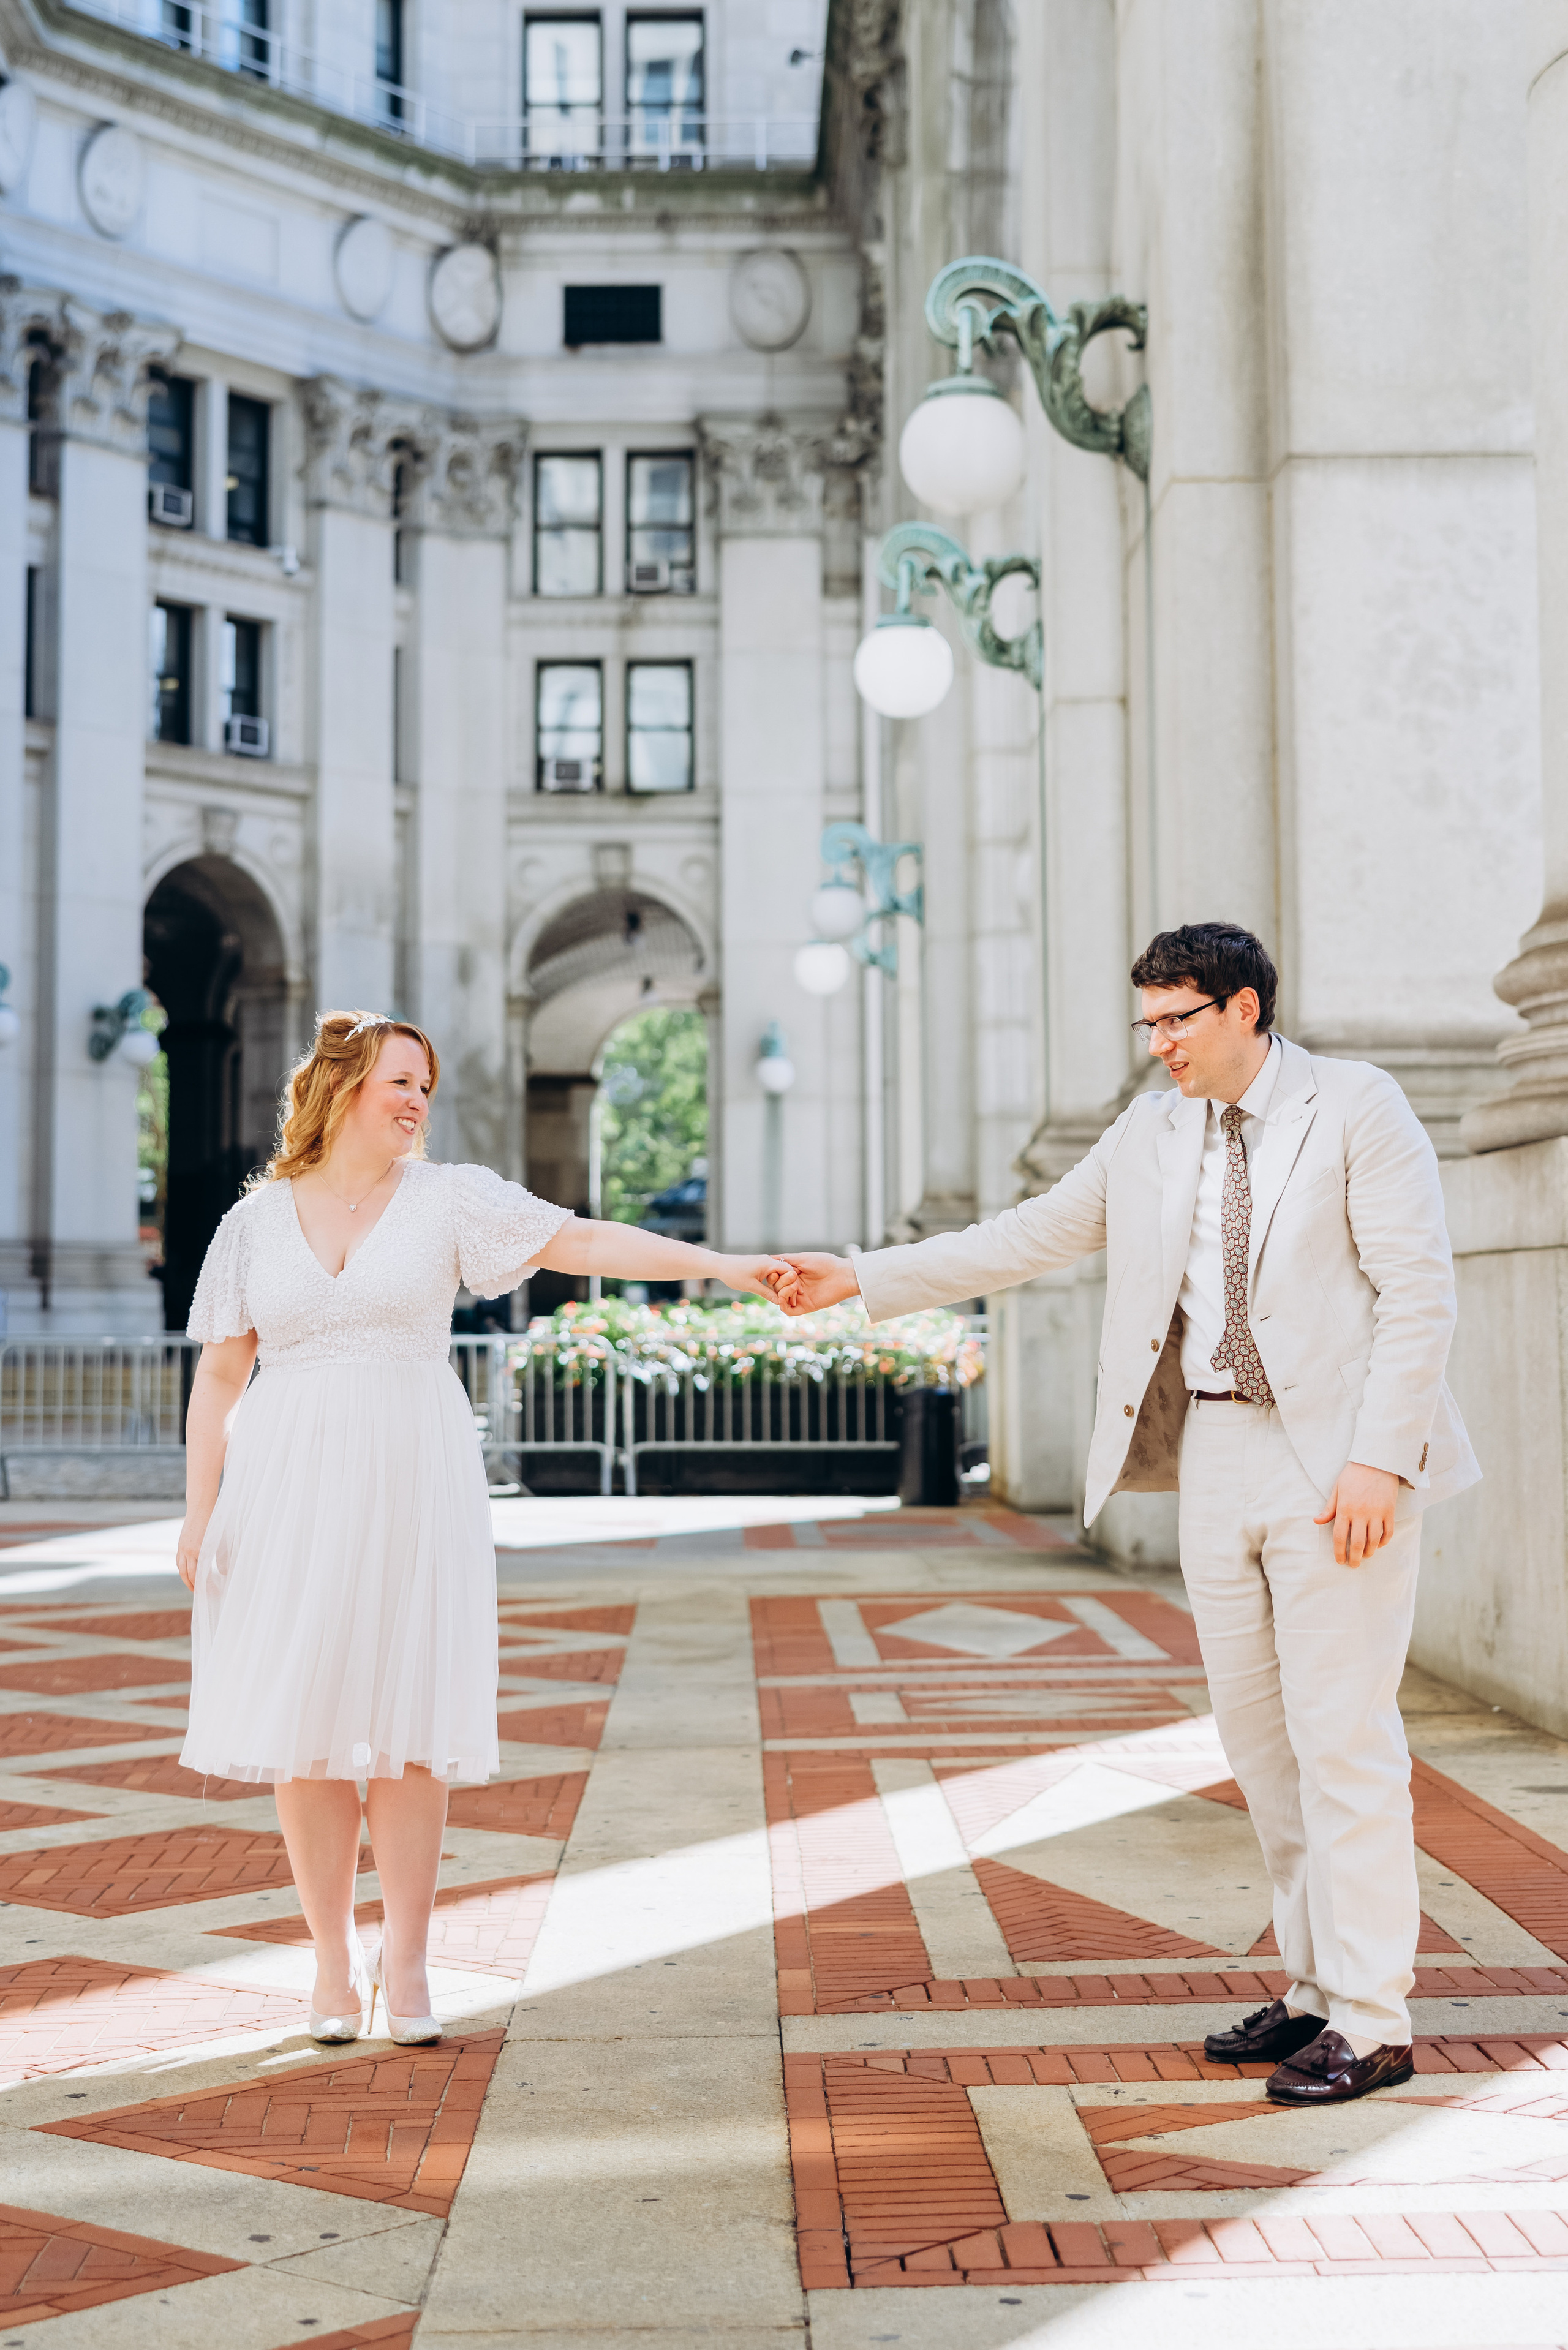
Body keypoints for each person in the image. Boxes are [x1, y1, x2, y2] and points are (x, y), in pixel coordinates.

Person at [779, 923, 1477, 2106]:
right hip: (1215, 1450)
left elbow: (1420, 1291)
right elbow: (1032, 1234)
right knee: (1261, 1747)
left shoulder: (1357, 1104)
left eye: (1176, 1021)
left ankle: (1374, 2018)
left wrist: (1380, 1462)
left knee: (1343, 1740)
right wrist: (865, 1275)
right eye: (1146, 1022)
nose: (1157, 1043)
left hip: (1339, 1461)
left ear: (1245, 1008)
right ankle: (1313, 1989)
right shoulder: (1150, 1133)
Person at [176, 1009, 797, 2047]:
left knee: (410, 1727)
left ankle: (408, 1957)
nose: (417, 1099)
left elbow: (585, 1239)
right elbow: (220, 1374)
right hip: (283, 1485)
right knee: (308, 1732)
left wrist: (726, 1265)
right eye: (398, 1080)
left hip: (414, 1474)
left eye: (426, 1084)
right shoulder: (254, 1221)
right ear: (340, 1088)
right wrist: (203, 1511)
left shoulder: (451, 1198)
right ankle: (331, 1960)